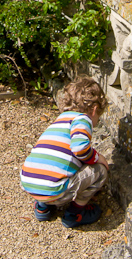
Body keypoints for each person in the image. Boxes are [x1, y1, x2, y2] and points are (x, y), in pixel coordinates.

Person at [20, 77, 109, 228]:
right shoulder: (83, 119)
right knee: (100, 171)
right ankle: (74, 214)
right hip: (54, 190)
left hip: (29, 182)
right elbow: (80, 149)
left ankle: (42, 208)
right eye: (98, 118)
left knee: (51, 165)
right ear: (94, 109)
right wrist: (97, 157)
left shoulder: (60, 120)